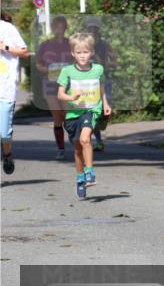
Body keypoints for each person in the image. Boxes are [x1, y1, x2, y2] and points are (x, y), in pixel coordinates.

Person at [56, 32, 112, 199]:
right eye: (79, 52)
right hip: (73, 113)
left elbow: (101, 87)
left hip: (91, 109)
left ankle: (89, 172)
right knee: (78, 149)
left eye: (85, 52)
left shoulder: (98, 69)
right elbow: (60, 94)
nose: (82, 56)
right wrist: (71, 97)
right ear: (73, 53)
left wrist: (106, 103)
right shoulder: (67, 71)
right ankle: (80, 178)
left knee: (85, 138)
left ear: (92, 52)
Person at [35, 15, 73, 159]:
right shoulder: (45, 45)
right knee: (57, 115)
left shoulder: (70, 43)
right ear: (52, 28)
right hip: (50, 84)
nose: (59, 29)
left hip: (67, 84)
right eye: (56, 26)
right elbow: (38, 63)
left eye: (62, 26)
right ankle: (61, 148)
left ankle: (71, 133)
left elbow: (78, 59)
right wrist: (45, 69)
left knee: (67, 114)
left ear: (65, 28)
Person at [1, 12, 30, 175]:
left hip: (5, 89)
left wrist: (4, 46)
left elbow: (25, 52)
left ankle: (7, 154)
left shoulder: (7, 28)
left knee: (4, 133)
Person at [86, 20, 116, 151]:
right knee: (93, 112)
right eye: (90, 28)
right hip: (89, 81)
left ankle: (100, 127)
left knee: (105, 109)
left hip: (105, 78)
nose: (92, 31)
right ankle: (98, 141)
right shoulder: (85, 45)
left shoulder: (105, 44)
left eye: (95, 28)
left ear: (98, 30)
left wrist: (108, 64)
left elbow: (114, 59)